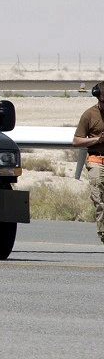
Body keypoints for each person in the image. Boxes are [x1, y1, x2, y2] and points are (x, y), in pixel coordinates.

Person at [73, 81, 104, 245]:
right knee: (99, 199)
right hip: (96, 159)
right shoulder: (89, 115)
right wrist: (97, 140)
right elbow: (76, 141)